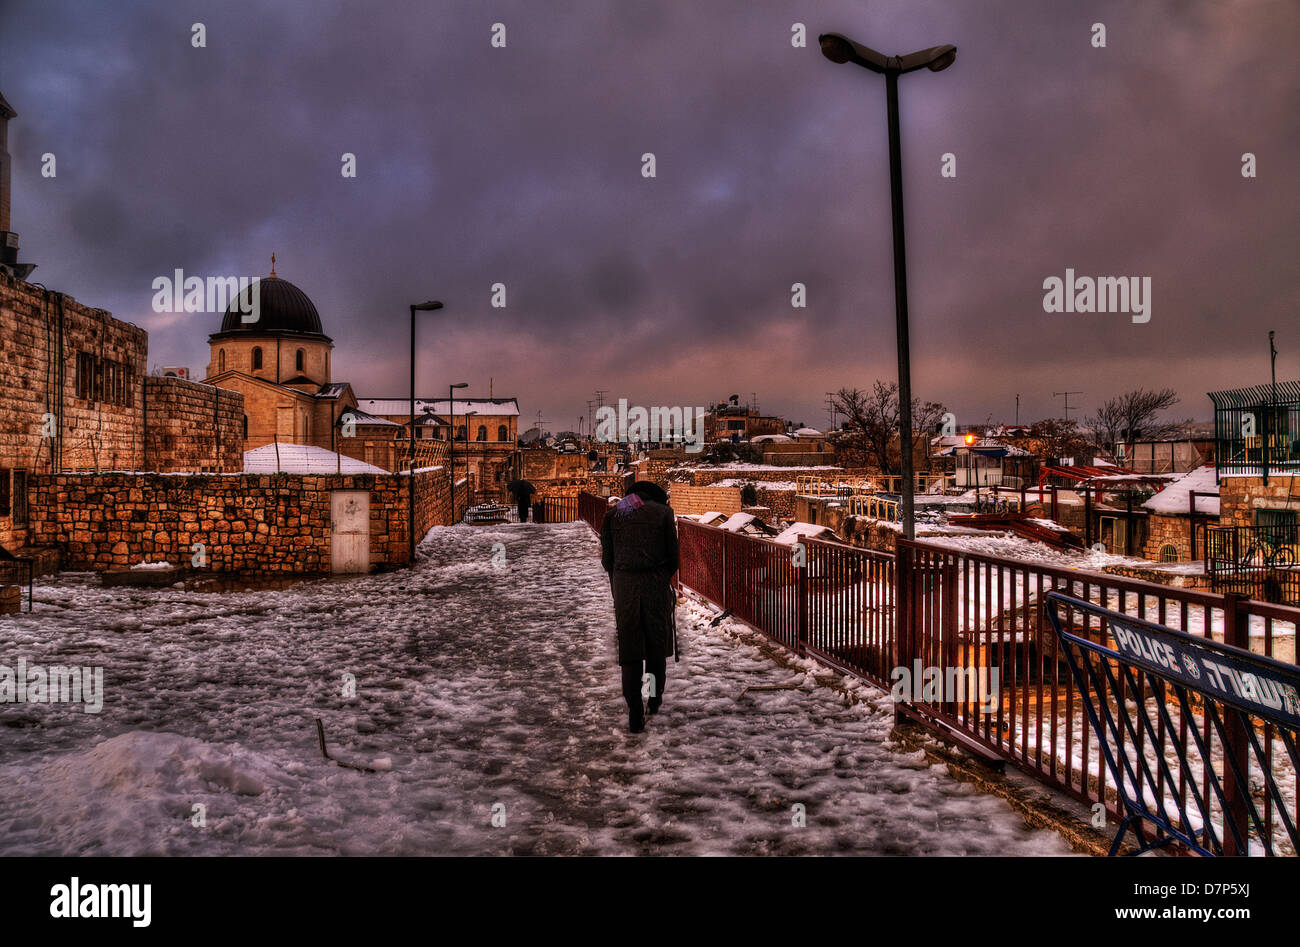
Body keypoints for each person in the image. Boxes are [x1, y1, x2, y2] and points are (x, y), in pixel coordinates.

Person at [600, 481, 679, 733]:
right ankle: (653, 701)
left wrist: (621, 581)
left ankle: (634, 710)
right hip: (655, 586)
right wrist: (659, 575)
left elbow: (607, 560)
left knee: (631, 652)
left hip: (625, 590)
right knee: (656, 649)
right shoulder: (663, 513)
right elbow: (674, 557)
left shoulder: (613, 514)